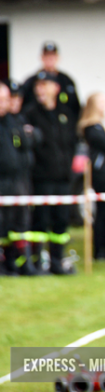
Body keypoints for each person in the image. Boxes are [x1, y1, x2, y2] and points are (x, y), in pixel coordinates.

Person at [23, 71, 78, 275]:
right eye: (39, 85)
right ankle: (37, 261)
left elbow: (70, 143)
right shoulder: (30, 114)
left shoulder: (65, 114)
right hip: (42, 177)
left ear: (56, 88)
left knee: (61, 220)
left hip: (63, 177)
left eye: (45, 85)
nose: (41, 89)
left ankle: (57, 260)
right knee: (40, 220)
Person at [78, 93, 105, 260]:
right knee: (103, 213)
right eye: (101, 102)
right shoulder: (91, 126)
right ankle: (100, 249)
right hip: (101, 173)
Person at [0, 83, 36, 276]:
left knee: (19, 224)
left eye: (6, 100)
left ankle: (17, 262)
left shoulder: (14, 121)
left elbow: (30, 139)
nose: (5, 104)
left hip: (18, 180)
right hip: (2, 181)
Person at [21, 41, 81, 119]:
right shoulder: (31, 82)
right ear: (41, 57)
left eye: (52, 56)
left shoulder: (66, 81)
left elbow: (75, 107)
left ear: (58, 58)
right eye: (47, 56)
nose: (49, 59)